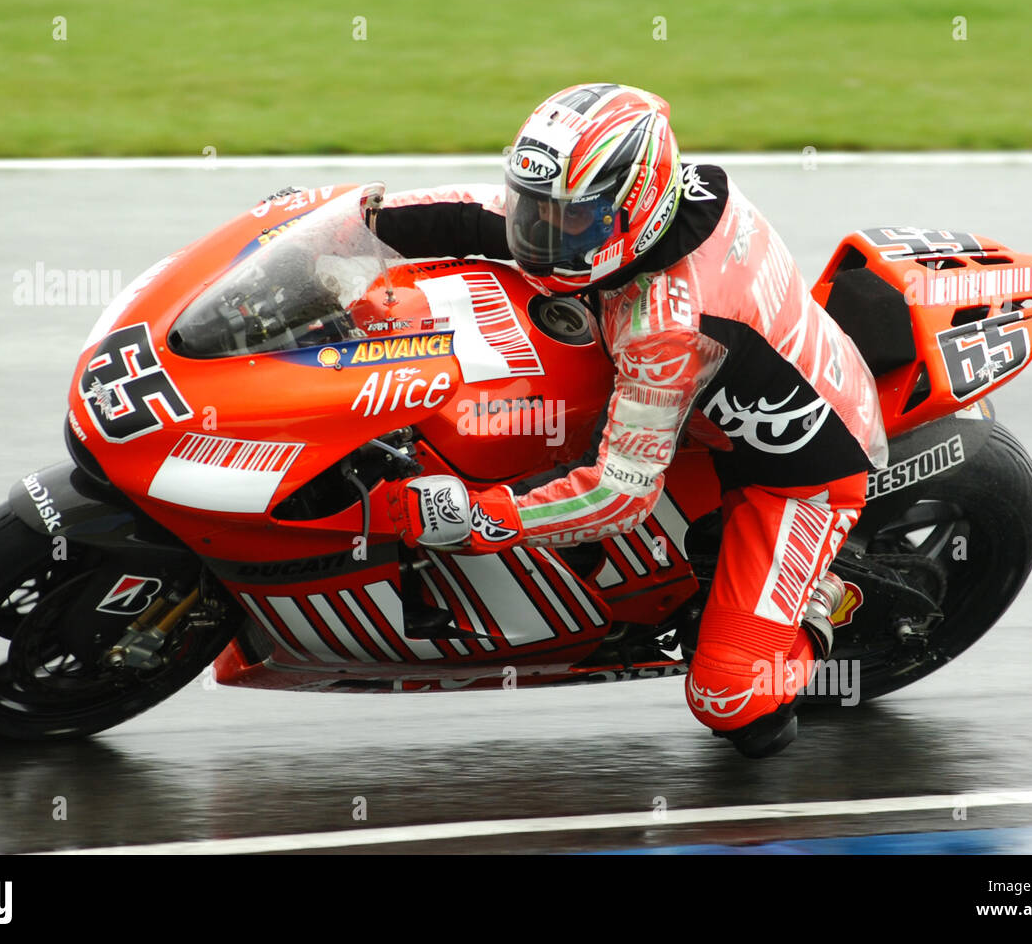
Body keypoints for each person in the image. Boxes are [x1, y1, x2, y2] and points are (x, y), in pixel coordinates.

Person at [379, 83, 888, 757]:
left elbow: (620, 494)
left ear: (633, 208)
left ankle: (819, 600)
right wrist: (342, 223)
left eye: (568, 220)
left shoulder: (664, 326)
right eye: (536, 208)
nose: (538, 232)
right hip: (707, 395)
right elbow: (474, 212)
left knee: (734, 701)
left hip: (799, 473)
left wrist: (481, 518)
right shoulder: (627, 203)